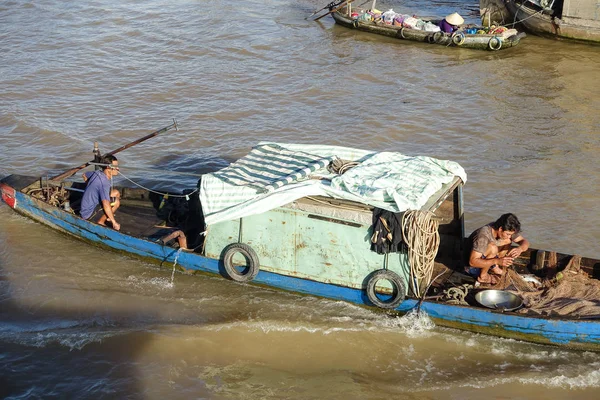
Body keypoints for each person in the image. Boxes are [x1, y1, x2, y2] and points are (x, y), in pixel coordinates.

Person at [466, 213, 530, 285]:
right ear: (500, 229)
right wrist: (496, 261)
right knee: (493, 248)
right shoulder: (482, 236)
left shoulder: (507, 229)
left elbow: (525, 242)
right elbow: (472, 262)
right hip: (471, 268)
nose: (510, 236)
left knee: (507, 241)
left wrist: (520, 249)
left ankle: (494, 268)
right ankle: (483, 276)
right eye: (508, 234)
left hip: (488, 260)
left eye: (511, 234)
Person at [80, 154, 121, 231]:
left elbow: (84, 175)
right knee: (116, 202)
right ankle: (100, 221)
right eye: (116, 167)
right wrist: (114, 222)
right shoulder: (104, 183)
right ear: (109, 168)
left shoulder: (97, 172)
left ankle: (108, 215)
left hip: (92, 201)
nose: (118, 168)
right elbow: (106, 203)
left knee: (116, 193)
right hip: (88, 213)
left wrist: (91, 187)